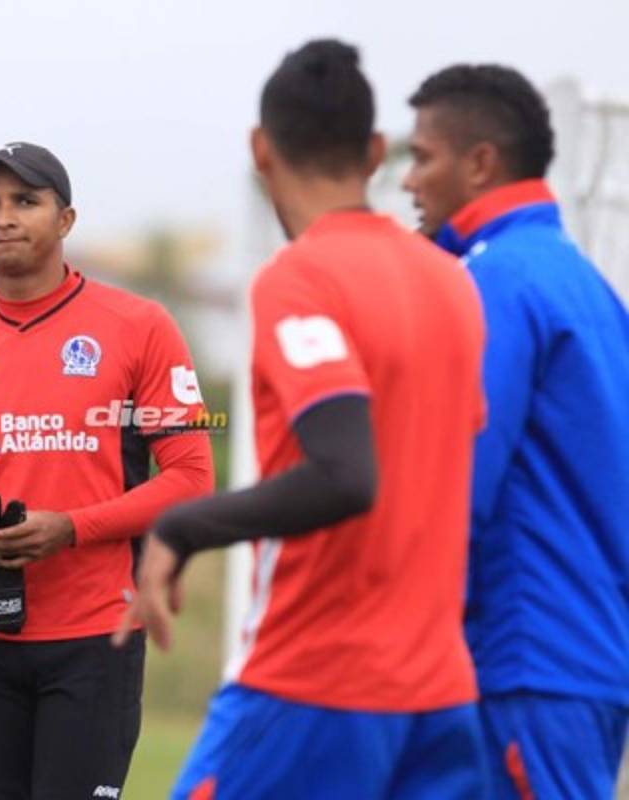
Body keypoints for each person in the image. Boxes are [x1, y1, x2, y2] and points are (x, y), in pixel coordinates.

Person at [115, 39, 490, 799]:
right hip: (440, 691)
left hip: (316, 681)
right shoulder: (453, 282)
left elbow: (346, 474)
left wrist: (181, 528)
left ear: (261, 150)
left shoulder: (299, 277)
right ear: (377, 151)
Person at [0, 141, 215, 799]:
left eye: (25, 201)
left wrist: (69, 528)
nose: (3, 218)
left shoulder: (140, 327)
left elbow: (191, 476)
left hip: (94, 640)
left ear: (66, 220)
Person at [403, 64, 629, 799]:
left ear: (479, 164)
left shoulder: (496, 282)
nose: (409, 181)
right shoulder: (577, 278)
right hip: (572, 657)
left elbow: (455, 482)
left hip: (523, 658)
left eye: (422, 156)